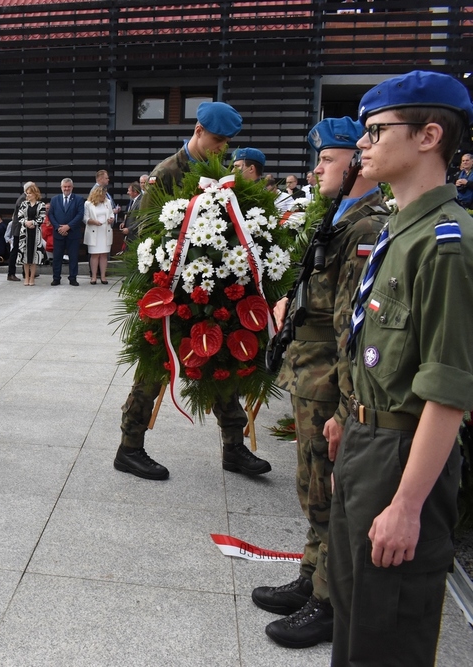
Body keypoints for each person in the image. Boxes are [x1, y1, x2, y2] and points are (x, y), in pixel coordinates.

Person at [326, 70, 473, 667]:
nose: (363, 144)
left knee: (387, 634)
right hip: (367, 441)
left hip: (405, 454)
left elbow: (448, 389)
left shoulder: (446, 245)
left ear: (428, 135)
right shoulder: (397, 229)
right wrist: (347, 417)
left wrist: (408, 505)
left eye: (376, 131)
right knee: (353, 615)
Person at [252, 117, 387, 649]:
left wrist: (343, 409)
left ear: (353, 163)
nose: (316, 170)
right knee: (313, 489)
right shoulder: (341, 214)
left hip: (331, 380)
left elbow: (356, 328)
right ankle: (311, 577)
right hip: (312, 373)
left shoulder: (366, 226)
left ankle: (329, 601)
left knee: (329, 493)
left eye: (326, 159)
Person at [113, 101, 271, 481]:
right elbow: (143, 233)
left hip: (212, 288)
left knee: (221, 366)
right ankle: (129, 448)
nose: (222, 149)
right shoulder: (166, 173)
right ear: (198, 131)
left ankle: (233, 448)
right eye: (217, 140)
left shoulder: (221, 171)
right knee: (154, 368)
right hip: (169, 291)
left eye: (227, 143)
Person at [49, 178, 85, 286]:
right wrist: (58, 227)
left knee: (73, 257)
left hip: (73, 233)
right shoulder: (55, 199)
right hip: (58, 233)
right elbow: (50, 214)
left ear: (72, 187)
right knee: (57, 257)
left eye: (69, 186)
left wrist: (68, 226)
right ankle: (56, 278)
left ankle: (73, 278)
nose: (66, 188)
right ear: (61, 187)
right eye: (65, 186)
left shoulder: (78, 199)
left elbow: (80, 215)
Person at [16, 182, 46, 286]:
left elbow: (42, 218)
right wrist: (26, 222)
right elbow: (19, 216)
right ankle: (26, 277)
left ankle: (32, 277)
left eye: (30, 193)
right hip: (25, 232)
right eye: (27, 193)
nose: (28, 195)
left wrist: (33, 223)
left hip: (35, 232)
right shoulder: (24, 204)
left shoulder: (41, 204)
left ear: (35, 194)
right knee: (25, 255)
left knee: (34, 256)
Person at [83, 186, 114, 284]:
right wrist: (93, 221)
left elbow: (111, 214)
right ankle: (94, 277)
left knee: (104, 254)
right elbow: (85, 218)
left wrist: (111, 219)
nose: (104, 197)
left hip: (105, 230)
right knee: (95, 255)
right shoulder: (88, 204)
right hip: (94, 230)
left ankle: (103, 276)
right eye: (102, 195)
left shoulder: (107, 202)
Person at [6, 182, 30, 282]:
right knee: (15, 251)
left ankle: (26, 272)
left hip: (23, 229)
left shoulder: (25, 198)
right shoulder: (23, 199)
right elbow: (23, 214)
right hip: (19, 229)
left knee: (25, 251)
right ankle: (11, 273)